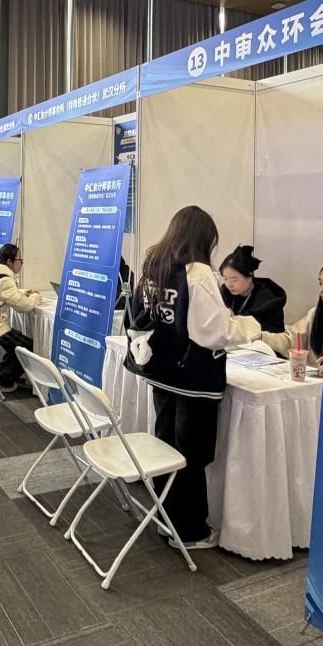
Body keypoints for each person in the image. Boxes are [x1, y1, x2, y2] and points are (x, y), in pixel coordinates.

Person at [132, 206, 261, 550]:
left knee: (166, 445)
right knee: (191, 453)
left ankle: (166, 519)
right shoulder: (199, 272)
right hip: (194, 379)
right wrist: (249, 327)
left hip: (162, 370)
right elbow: (212, 333)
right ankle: (189, 531)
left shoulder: (155, 265)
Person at [0, 244, 41, 392]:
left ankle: (0, 375)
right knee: (27, 348)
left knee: (18, 344)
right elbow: (24, 306)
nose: (22, 262)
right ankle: (3, 380)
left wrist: (21, 292)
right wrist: (36, 297)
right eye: (20, 259)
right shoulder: (5, 280)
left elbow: (2, 294)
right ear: (10, 261)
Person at [259, 261, 323, 369]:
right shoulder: (315, 314)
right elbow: (291, 340)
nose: (322, 290)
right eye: (320, 283)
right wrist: (260, 336)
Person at [219, 245, 287, 332]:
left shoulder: (269, 300)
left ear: (250, 276)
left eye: (234, 279)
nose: (229, 284)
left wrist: (238, 323)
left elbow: (274, 334)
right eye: (225, 279)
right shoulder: (224, 293)